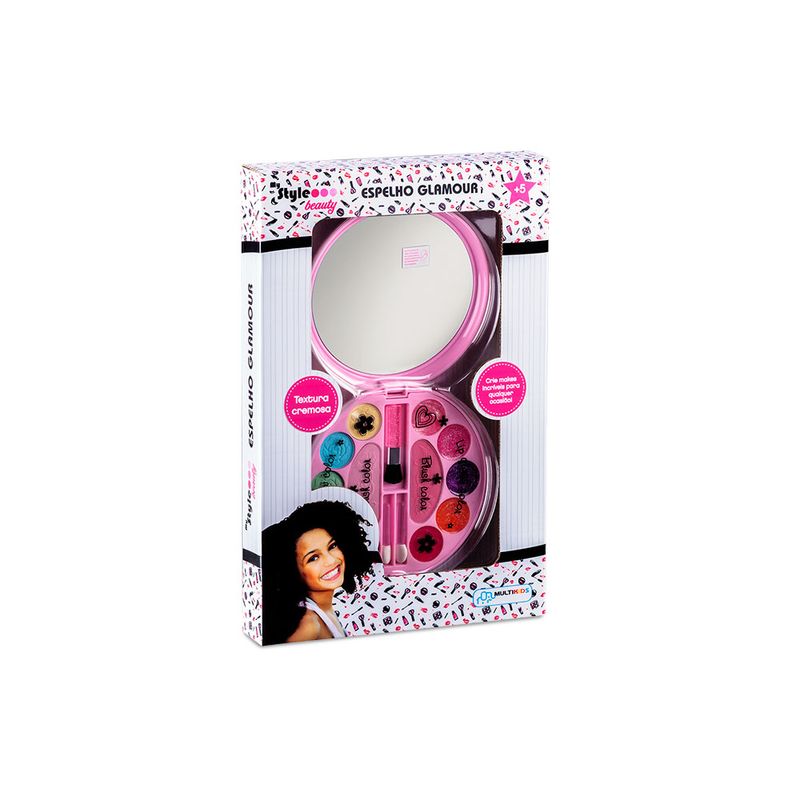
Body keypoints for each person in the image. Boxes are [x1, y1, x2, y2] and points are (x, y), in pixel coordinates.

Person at [262, 500, 375, 644]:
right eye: (313, 558)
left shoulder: (323, 610)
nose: (330, 560)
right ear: (292, 570)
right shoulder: (309, 625)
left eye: (332, 546)